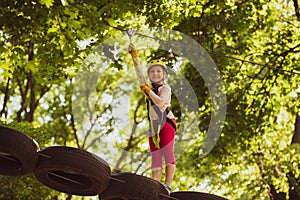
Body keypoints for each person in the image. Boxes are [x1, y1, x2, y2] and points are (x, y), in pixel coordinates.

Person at [128, 43, 176, 193]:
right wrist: (134, 57)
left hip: (166, 122)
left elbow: (160, 102)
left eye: (158, 71)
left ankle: (167, 184)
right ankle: (155, 185)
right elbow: (140, 77)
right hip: (154, 125)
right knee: (155, 155)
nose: (155, 74)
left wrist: (148, 90)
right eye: (153, 72)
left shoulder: (165, 88)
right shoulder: (150, 89)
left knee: (167, 153)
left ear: (164, 75)